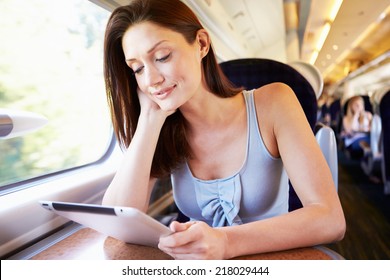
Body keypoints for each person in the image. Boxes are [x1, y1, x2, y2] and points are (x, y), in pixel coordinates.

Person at [102, 0, 345, 260]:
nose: (151, 80)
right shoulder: (163, 128)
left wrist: (226, 242)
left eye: (162, 57)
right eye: (137, 69)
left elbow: (330, 219)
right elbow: (118, 220)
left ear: (202, 44)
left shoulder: (274, 102)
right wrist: (150, 118)